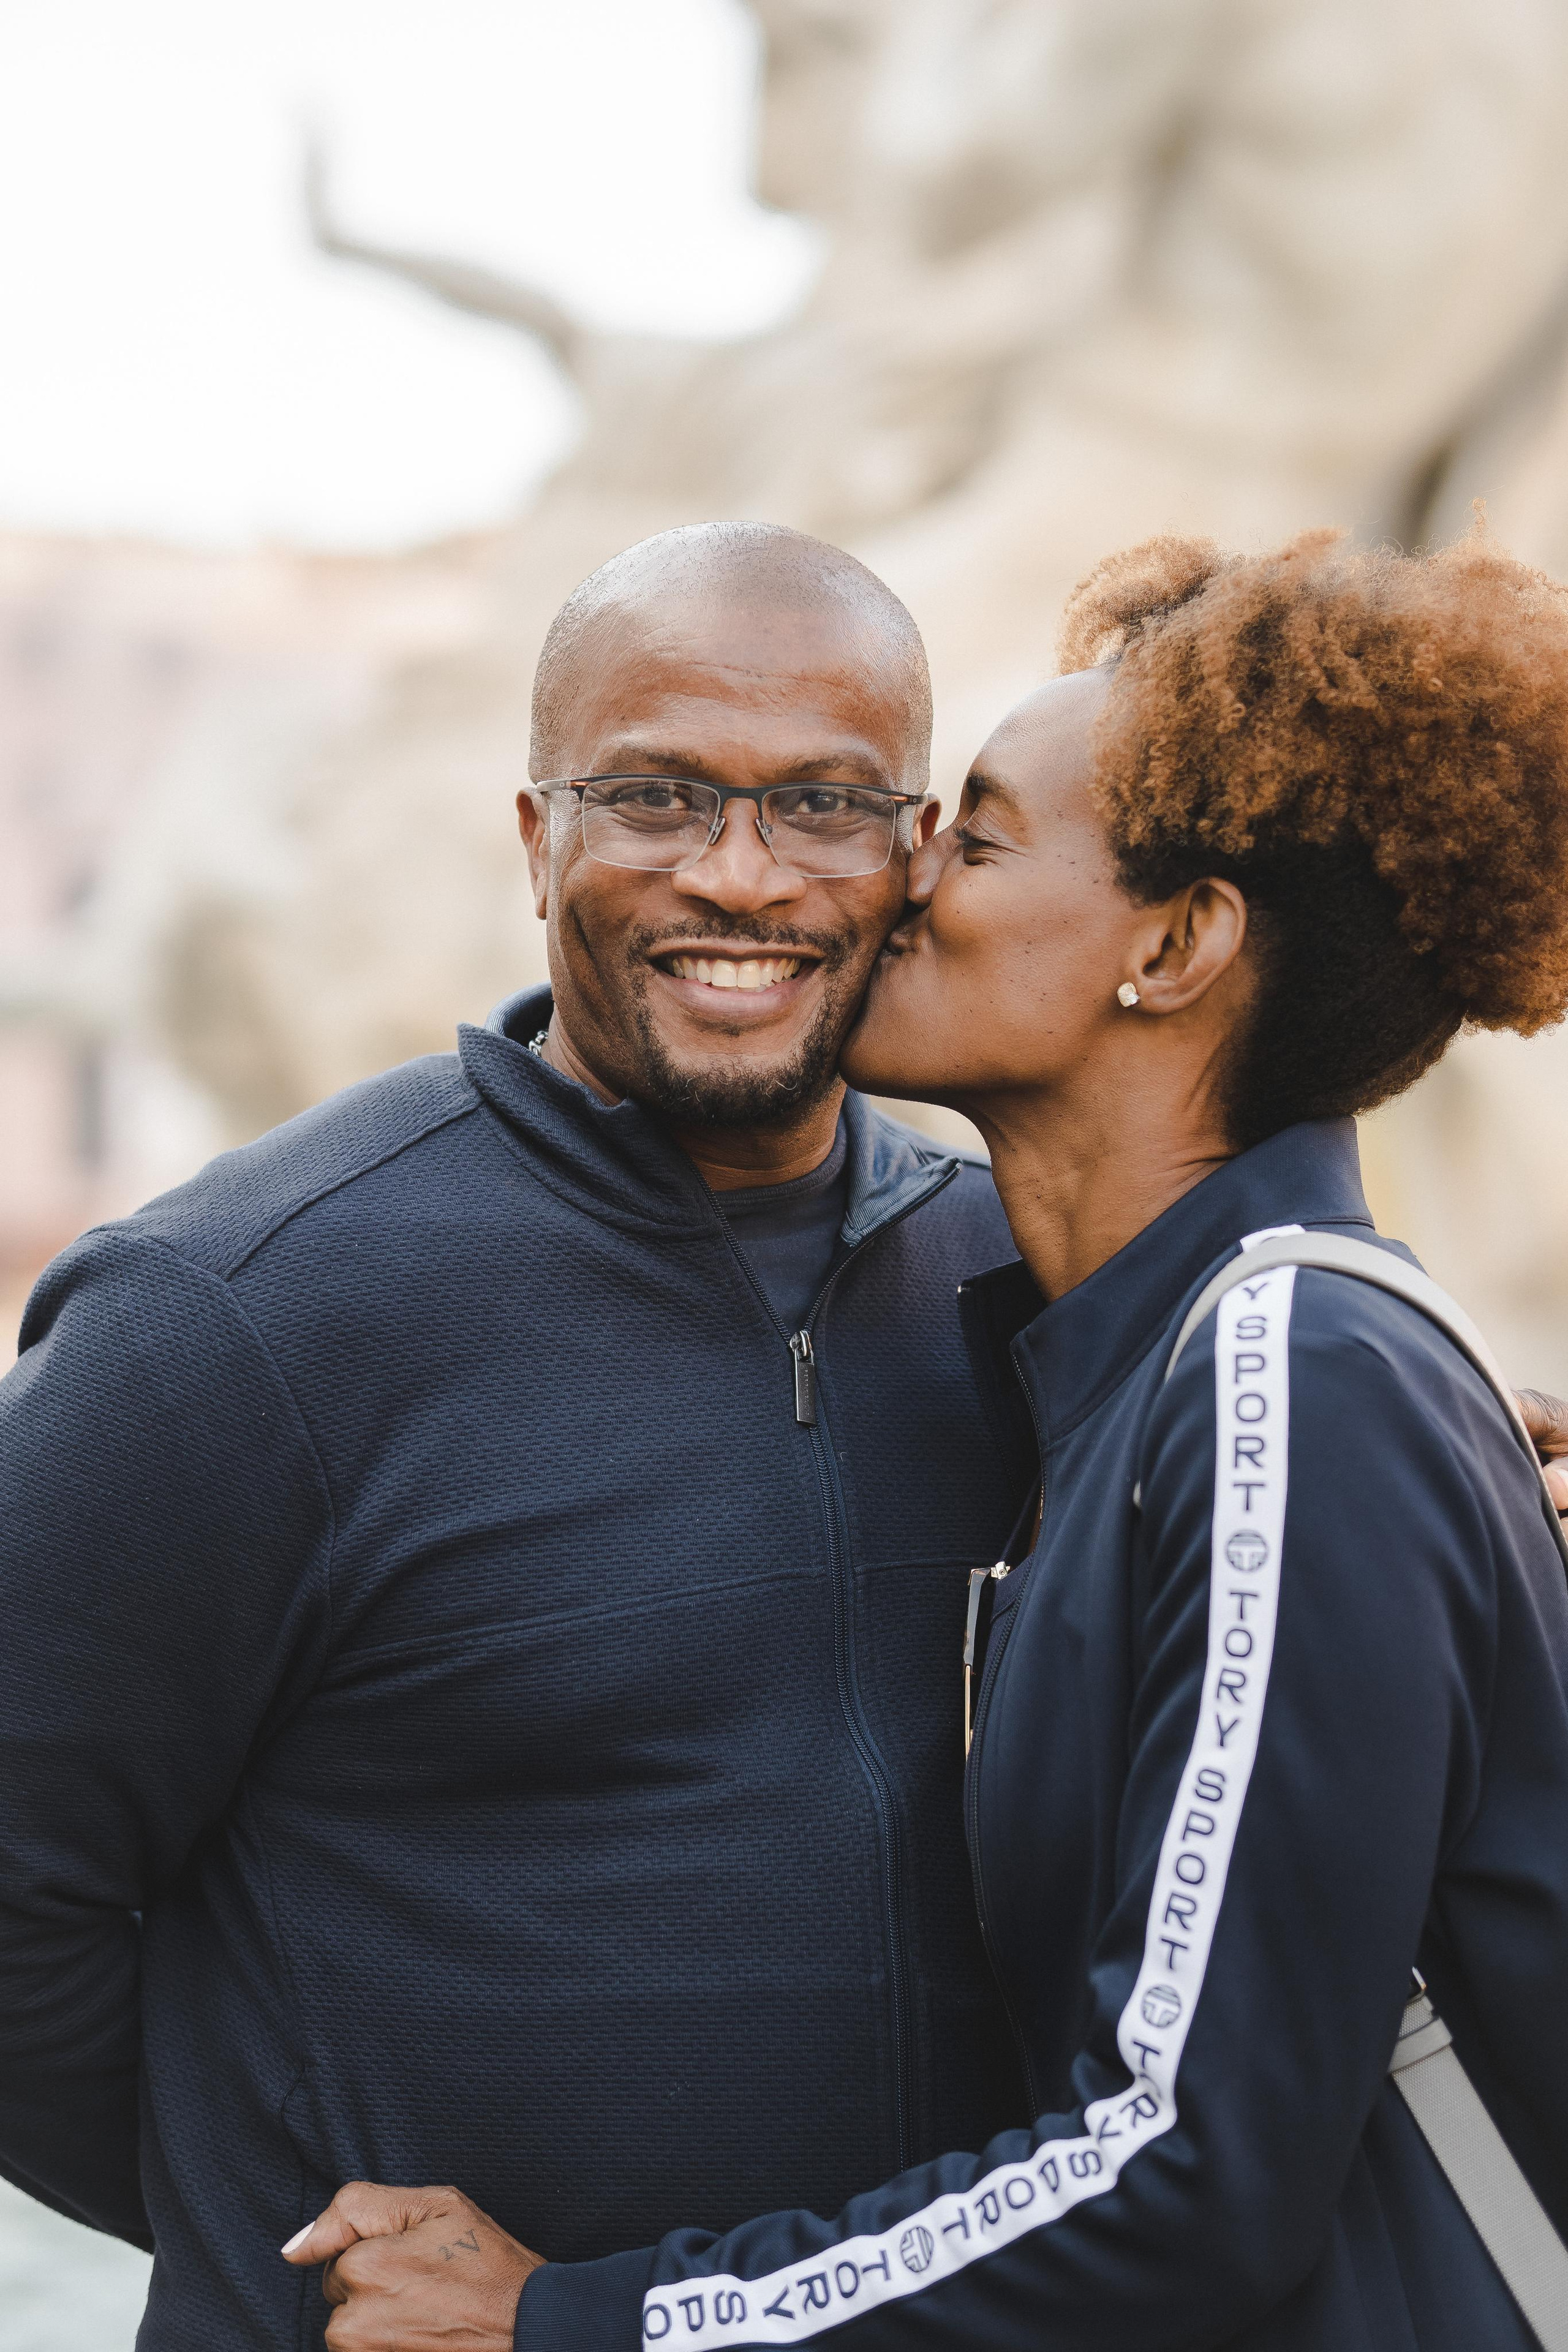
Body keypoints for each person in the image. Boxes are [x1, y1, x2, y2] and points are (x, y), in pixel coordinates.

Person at [291, 526, 1568, 2352]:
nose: (892, 888)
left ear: (1178, 944)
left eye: (967, 837)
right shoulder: (1163, 1375)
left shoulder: (1298, 1371)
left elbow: (1181, 2171)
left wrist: (577, 2322)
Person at [0, 524, 1035, 2345]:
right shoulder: (230, 1312)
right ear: (536, 836)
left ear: (916, 852)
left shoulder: (1016, 1283)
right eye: (656, 796)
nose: (742, 876)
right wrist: (268, 2212)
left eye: (821, 805)